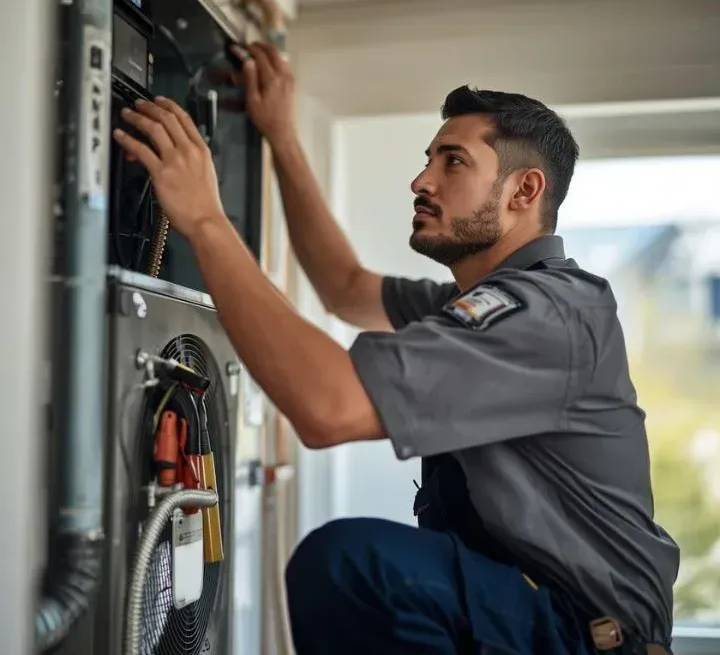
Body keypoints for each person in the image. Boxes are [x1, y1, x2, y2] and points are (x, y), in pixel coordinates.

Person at [114, 42, 680, 655]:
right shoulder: (478, 305)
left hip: (582, 634)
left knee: (353, 567)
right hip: (531, 611)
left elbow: (328, 409)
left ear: (524, 191)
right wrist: (280, 134)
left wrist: (204, 221)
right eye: (428, 158)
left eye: (453, 161)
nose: (421, 180)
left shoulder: (543, 315)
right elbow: (344, 286)